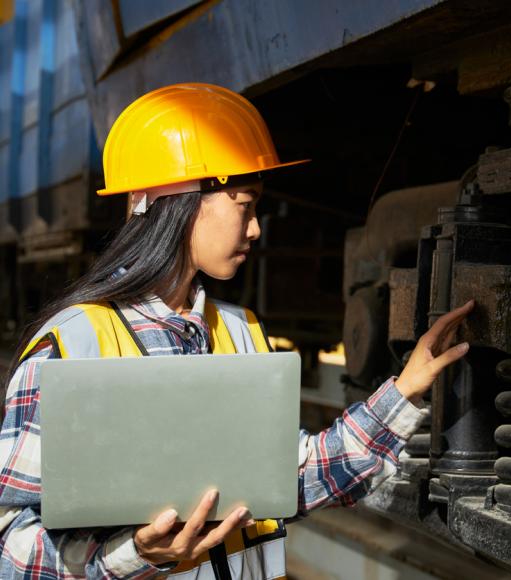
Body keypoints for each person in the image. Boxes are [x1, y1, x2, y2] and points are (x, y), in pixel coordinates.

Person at [0, 83, 473, 579]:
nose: (255, 229)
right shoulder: (73, 344)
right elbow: (12, 550)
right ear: (178, 204)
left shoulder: (240, 330)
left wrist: (403, 390)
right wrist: (130, 554)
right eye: (244, 206)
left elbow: (287, 482)